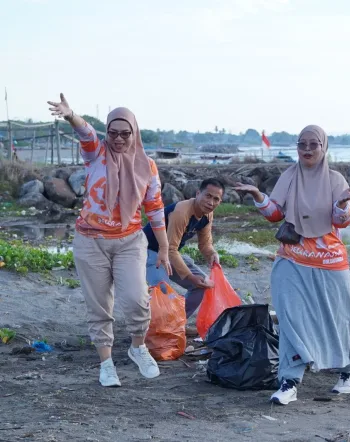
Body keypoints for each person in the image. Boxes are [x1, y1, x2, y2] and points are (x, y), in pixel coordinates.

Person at [48, 93, 172, 388]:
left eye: (124, 134)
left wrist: (165, 247)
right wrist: (70, 115)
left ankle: (137, 347)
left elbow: (154, 207)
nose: (118, 139)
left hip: (129, 240)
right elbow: (85, 132)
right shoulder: (95, 152)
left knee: (137, 299)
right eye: (113, 133)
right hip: (90, 241)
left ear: (134, 132)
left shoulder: (147, 165)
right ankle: (106, 364)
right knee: (99, 306)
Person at [234, 125, 350, 406]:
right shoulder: (289, 177)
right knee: (290, 318)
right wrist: (258, 196)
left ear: (323, 147)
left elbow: (342, 221)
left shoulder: (335, 179)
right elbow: (275, 213)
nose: (306, 149)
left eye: (313, 144)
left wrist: (341, 206)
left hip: (329, 262)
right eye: (301, 144)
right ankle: (289, 381)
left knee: (338, 318)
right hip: (292, 258)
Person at [144, 178, 224, 319]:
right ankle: (156, 327)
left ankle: (178, 322)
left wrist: (212, 254)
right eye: (208, 196)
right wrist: (190, 276)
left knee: (202, 285)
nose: (211, 202)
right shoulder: (181, 212)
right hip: (149, 251)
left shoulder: (207, 214)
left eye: (216, 199)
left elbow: (205, 244)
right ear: (198, 193)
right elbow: (170, 248)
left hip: (170, 253)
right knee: (163, 291)